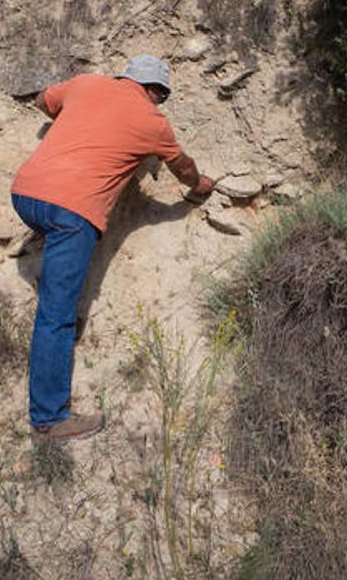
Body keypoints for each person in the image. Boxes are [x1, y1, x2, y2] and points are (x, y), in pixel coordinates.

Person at [11, 55, 214, 442]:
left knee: (59, 264)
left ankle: (56, 281)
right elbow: (182, 167)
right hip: (71, 212)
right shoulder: (152, 121)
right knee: (56, 316)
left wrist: (79, 121)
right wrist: (200, 185)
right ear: (155, 91)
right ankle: (48, 419)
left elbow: (43, 101)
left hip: (24, 196)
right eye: (161, 97)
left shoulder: (87, 83)